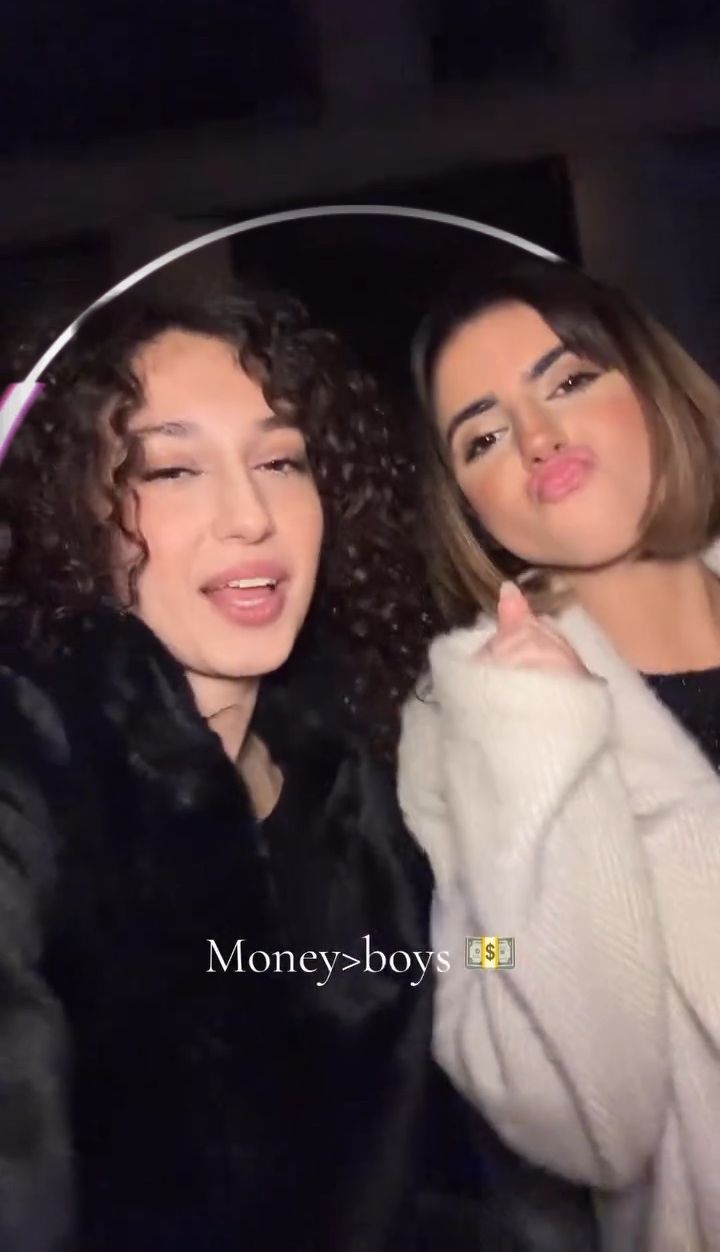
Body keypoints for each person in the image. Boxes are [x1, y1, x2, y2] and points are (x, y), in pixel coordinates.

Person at [0, 287, 598, 1252]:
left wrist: (551, 784)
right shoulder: (30, 763)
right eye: (172, 469)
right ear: (66, 507)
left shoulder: (357, 780)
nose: (250, 517)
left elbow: (482, 1013)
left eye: (281, 461)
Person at [398, 260, 720, 1251]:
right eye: (485, 436)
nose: (538, 437)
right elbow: (592, 1124)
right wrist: (545, 739)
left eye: (570, 380)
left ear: (656, 390)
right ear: (470, 507)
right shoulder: (469, 729)